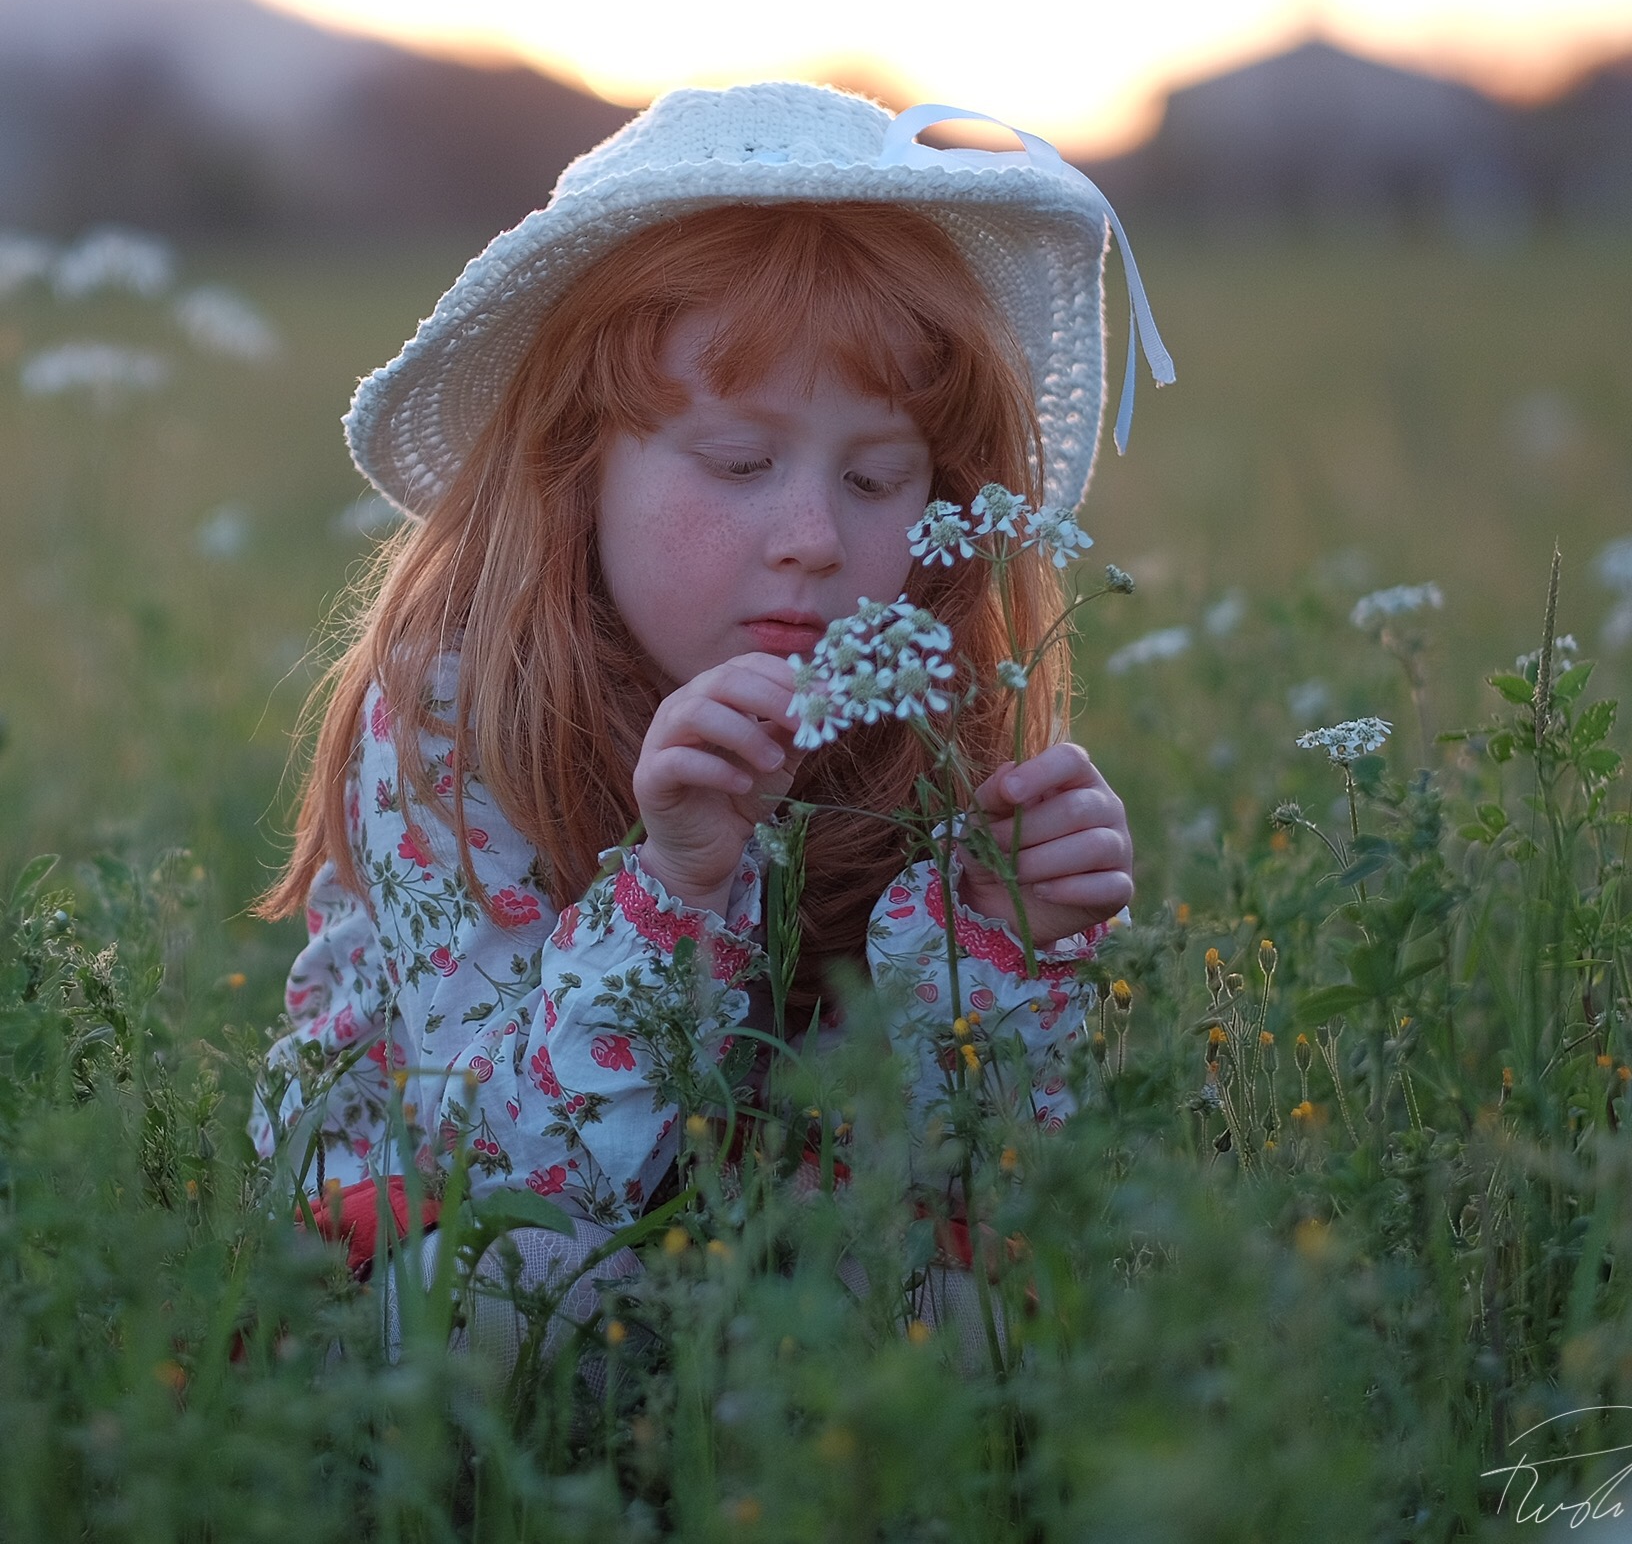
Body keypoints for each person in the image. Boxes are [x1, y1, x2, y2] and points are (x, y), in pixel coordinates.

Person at [250, 81, 1174, 1370]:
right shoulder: (456, 722)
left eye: (876, 478)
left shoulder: (918, 721)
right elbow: (508, 1166)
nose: (812, 539)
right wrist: (676, 886)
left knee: (999, 1310)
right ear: (574, 473)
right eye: (741, 465)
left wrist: (1002, 943)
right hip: (461, 1217)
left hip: (772, 1252)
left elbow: (950, 1159)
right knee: (502, 1306)